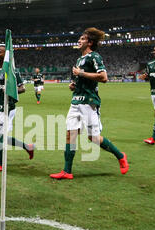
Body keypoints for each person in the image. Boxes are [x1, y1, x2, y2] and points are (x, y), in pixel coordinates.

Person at [49, 28, 129, 180]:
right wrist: (74, 84)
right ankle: (67, 171)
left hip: (89, 102)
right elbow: (81, 79)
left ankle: (120, 155)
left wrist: (81, 74)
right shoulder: (79, 60)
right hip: (76, 101)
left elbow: (104, 77)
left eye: (82, 39)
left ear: (90, 42)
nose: (79, 41)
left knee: (93, 137)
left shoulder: (95, 56)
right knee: (70, 134)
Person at [0, 44, 34, 173]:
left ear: (6, 55)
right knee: (1, 137)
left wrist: (10, 90)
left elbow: (22, 89)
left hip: (7, 108)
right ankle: (28, 147)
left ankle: (0, 164)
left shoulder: (12, 71)